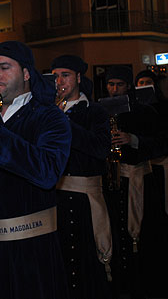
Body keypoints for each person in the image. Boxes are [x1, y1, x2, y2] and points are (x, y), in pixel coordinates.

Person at [0, 41, 72, 299]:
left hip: (30, 250)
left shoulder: (50, 117)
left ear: (26, 74)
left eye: (5, 67)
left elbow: (48, 171)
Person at [51, 55, 113, 299]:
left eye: (65, 75)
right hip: (55, 198)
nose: (59, 81)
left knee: (87, 263)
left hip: (85, 200)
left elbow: (100, 148)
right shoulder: (49, 112)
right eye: (54, 76)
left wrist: (65, 123)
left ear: (78, 78)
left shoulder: (95, 111)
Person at [103, 65, 166, 299]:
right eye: (111, 84)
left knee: (143, 240)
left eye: (119, 84)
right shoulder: (101, 111)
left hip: (139, 181)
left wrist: (133, 139)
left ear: (128, 86)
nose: (114, 89)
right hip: (113, 182)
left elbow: (161, 142)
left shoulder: (144, 111)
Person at [135, 70, 168, 250]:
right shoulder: (134, 107)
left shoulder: (166, 107)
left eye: (147, 82)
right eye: (140, 82)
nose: (144, 86)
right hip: (143, 167)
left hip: (161, 163)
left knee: (166, 206)